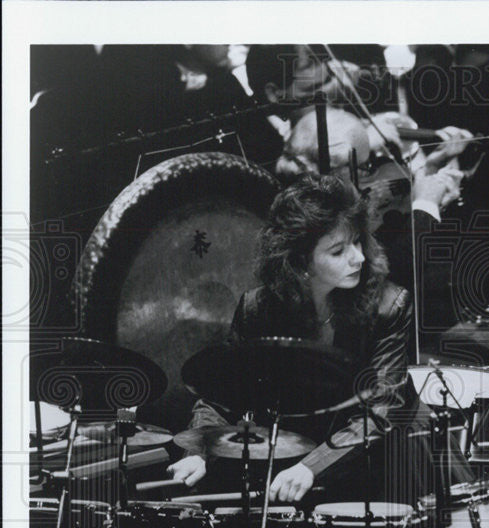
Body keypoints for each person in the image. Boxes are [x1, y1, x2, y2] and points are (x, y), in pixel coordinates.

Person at [166, 173, 464, 505]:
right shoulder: (257, 309)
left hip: (392, 455)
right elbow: (222, 395)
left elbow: (382, 408)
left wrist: (312, 466)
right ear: (299, 262)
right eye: (338, 250)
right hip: (307, 455)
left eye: (357, 242)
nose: (359, 257)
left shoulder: (389, 305)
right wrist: (198, 451)